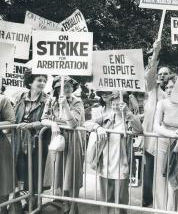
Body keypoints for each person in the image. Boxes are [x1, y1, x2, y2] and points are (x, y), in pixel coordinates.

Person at [84, 91, 143, 214]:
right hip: (105, 162)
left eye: (119, 104)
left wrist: (127, 112)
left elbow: (139, 129)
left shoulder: (129, 119)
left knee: (121, 199)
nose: (116, 106)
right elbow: (86, 123)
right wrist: (98, 128)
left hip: (122, 164)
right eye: (113, 103)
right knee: (106, 198)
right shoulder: (108, 118)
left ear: (125, 104)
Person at [41, 76, 85, 214]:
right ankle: (64, 203)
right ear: (56, 88)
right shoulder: (51, 100)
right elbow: (43, 119)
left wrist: (65, 106)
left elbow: (73, 124)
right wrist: (53, 123)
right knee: (59, 172)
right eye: (64, 86)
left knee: (71, 173)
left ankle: (73, 206)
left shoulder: (77, 102)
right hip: (57, 139)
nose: (67, 88)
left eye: (69, 86)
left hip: (72, 140)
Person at [153, 75, 178, 211]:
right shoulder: (162, 103)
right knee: (160, 179)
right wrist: (172, 134)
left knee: (175, 179)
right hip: (163, 143)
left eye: (173, 87)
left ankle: (172, 210)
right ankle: (159, 210)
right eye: (167, 87)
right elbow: (156, 126)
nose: (169, 89)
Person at [11, 69, 48, 210]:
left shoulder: (47, 100)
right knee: (19, 172)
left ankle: (34, 205)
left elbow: (48, 120)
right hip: (19, 141)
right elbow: (13, 115)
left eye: (44, 80)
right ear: (30, 81)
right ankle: (19, 203)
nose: (42, 83)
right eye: (39, 80)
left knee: (35, 174)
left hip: (38, 142)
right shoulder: (20, 97)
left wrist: (31, 125)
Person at [142, 39, 172, 207]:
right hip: (151, 136)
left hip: (165, 137)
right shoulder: (153, 88)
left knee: (163, 172)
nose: (161, 76)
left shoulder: (172, 94)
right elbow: (150, 74)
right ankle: (148, 200)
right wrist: (155, 53)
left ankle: (163, 202)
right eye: (160, 73)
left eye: (165, 74)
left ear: (170, 76)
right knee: (149, 169)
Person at [0, 90, 15, 214]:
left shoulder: (2, 100)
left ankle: (3, 209)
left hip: (0, 145)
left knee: (3, 178)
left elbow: (11, 121)